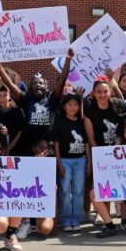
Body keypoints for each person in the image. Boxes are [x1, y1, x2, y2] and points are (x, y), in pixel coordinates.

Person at [0, 48, 73, 155]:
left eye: (41, 83)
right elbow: (10, 84)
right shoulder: (26, 99)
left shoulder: (52, 99)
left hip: (47, 142)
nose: (38, 85)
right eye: (35, 83)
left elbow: (63, 78)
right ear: (30, 88)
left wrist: (68, 59)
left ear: (47, 87)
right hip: (28, 142)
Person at [84, 77, 126, 237]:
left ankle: (124, 219)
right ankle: (106, 218)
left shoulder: (118, 106)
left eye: (105, 91)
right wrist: (100, 156)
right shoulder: (89, 110)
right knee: (104, 188)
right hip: (101, 155)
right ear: (94, 94)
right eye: (99, 92)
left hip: (120, 154)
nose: (102, 94)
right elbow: (90, 137)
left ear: (110, 92)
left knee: (121, 187)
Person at [52, 93, 90, 232]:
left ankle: (76, 219)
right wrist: (59, 163)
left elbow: (86, 143)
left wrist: (89, 161)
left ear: (79, 106)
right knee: (65, 190)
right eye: (69, 104)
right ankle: (65, 219)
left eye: (75, 104)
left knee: (79, 190)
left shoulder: (82, 121)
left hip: (80, 160)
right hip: (65, 160)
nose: (72, 107)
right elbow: (56, 143)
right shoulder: (60, 121)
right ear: (64, 106)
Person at [0, 83, 24, 155]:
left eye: (5, 95)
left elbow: (20, 132)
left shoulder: (17, 111)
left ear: (9, 96)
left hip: (16, 150)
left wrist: (8, 148)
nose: (2, 98)